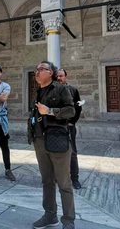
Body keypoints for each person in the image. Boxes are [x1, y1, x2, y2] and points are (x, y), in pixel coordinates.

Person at [28, 61, 76, 229]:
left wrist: (49, 111)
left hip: (57, 140)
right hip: (40, 141)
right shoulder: (37, 93)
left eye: (41, 69)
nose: (37, 72)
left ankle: (68, 220)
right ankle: (50, 215)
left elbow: (71, 111)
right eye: (36, 69)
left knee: (64, 183)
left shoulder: (62, 89)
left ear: (51, 73)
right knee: (47, 181)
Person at [57, 69, 82, 190]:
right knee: (56, 153)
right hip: (56, 127)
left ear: (66, 77)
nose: (59, 78)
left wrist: (72, 122)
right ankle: (58, 177)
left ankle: (75, 178)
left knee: (72, 153)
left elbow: (78, 108)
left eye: (61, 76)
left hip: (69, 126)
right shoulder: (52, 91)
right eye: (57, 76)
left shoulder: (73, 90)